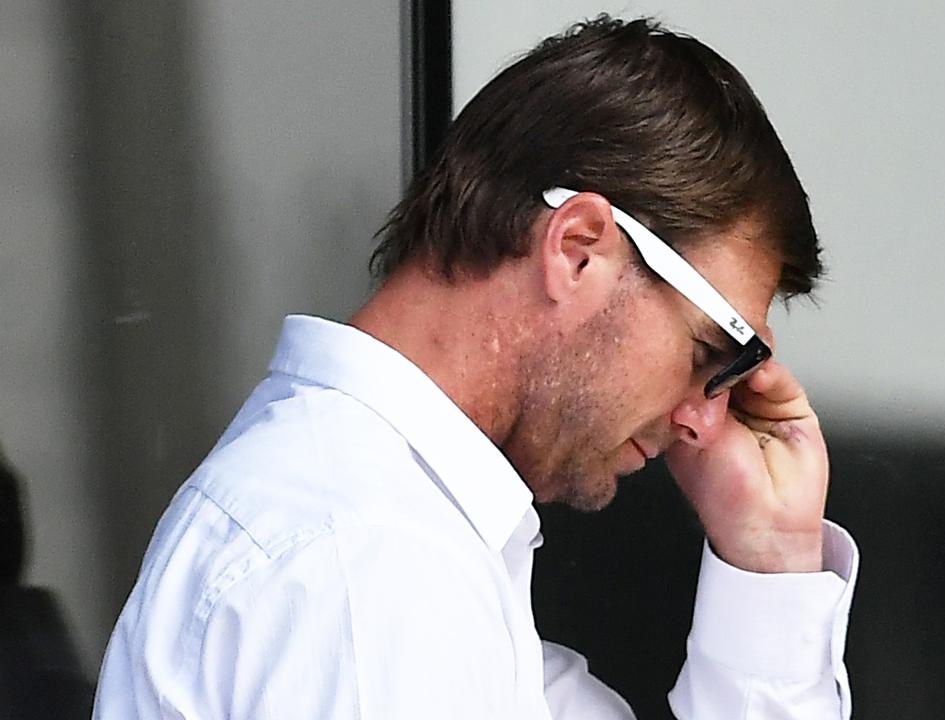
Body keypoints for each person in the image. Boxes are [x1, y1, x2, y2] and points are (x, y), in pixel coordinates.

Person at [92, 15, 859, 719]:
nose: (704, 415)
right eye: (714, 352)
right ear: (578, 249)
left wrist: (770, 557)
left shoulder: (399, 544)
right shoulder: (372, 565)